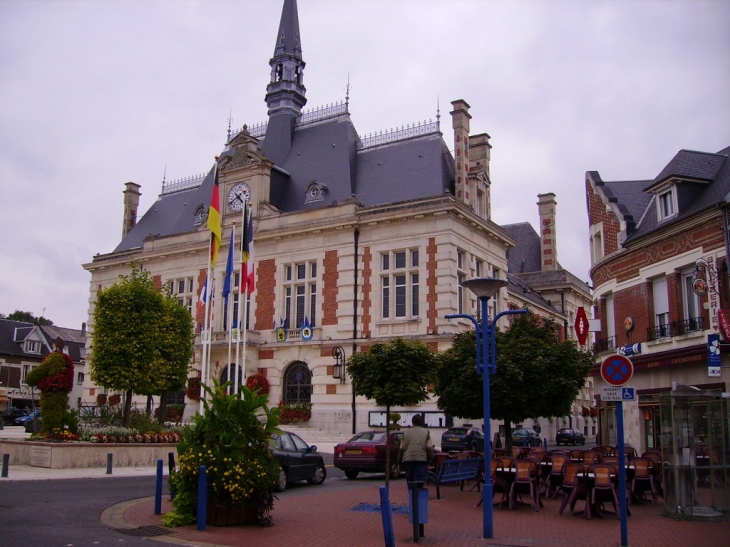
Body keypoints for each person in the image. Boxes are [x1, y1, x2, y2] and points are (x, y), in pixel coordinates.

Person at [398, 414, 434, 490]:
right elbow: (429, 448)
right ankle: (418, 499)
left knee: (410, 483)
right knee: (419, 483)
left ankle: (412, 499)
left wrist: (399, 463)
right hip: (421, 461)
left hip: (408, 460)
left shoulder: (406, 433)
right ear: (422, 422)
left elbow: (401, 449)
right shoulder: (426, 432)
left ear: (412, 422)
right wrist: (430, 461)